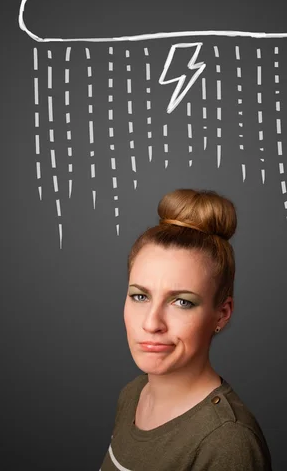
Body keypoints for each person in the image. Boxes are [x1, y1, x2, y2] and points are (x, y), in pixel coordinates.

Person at [100, 188, 272, 470]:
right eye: (140, 296)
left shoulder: (226, 441)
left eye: (182, 301)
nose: (151, 323)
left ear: (222, 313)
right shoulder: (133, 394)